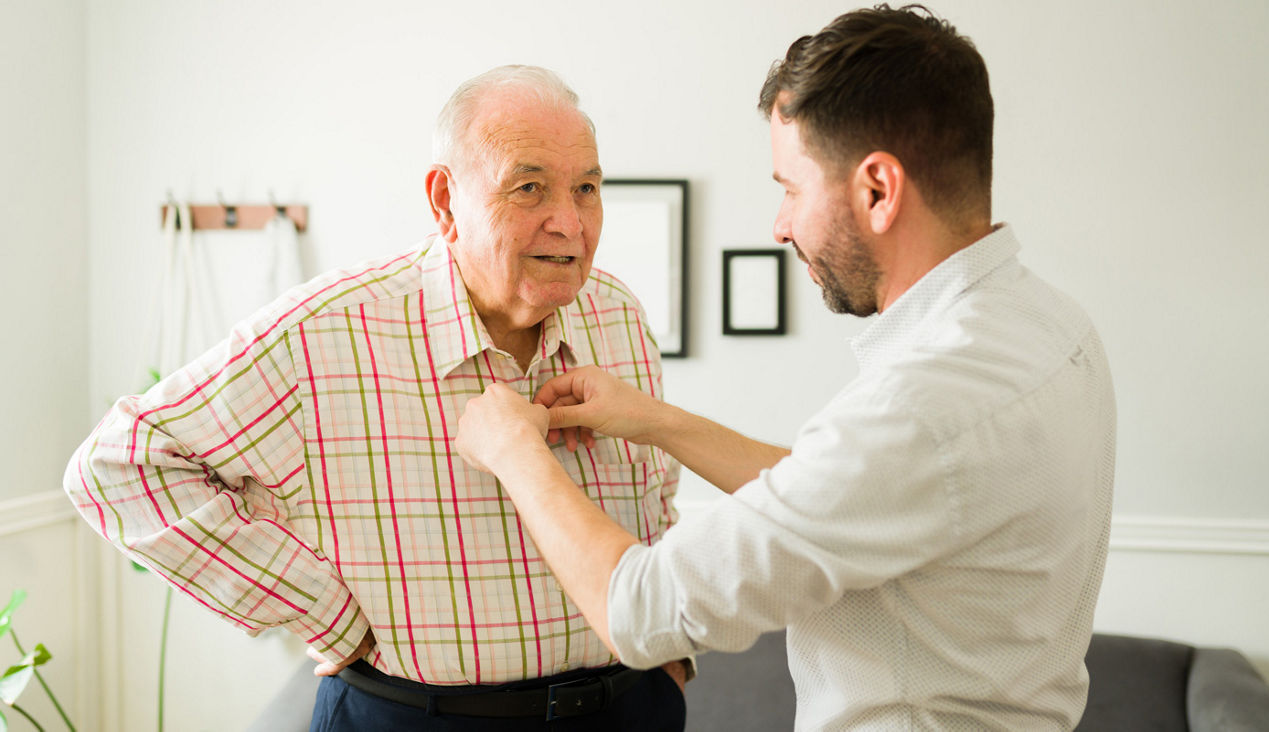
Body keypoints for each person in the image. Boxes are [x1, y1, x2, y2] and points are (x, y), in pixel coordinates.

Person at [455, 6, 1117, 731]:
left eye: (791, 187)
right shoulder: (1049, 325)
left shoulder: (923, 405)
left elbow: (641, 611)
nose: (780, 225)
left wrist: (515, 453)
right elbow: (862, 494)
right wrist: (658, 421)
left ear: (877, 189)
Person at [63, 65, 689, 731]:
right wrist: (327, 616)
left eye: (586, 189)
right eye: (529, 188)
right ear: (445, 200)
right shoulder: (324, 332)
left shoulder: (617, 314)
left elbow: (654, 501)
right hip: (416, 716)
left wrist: (675, 662)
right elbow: (117, 465)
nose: (569, 222)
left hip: (628, 708)